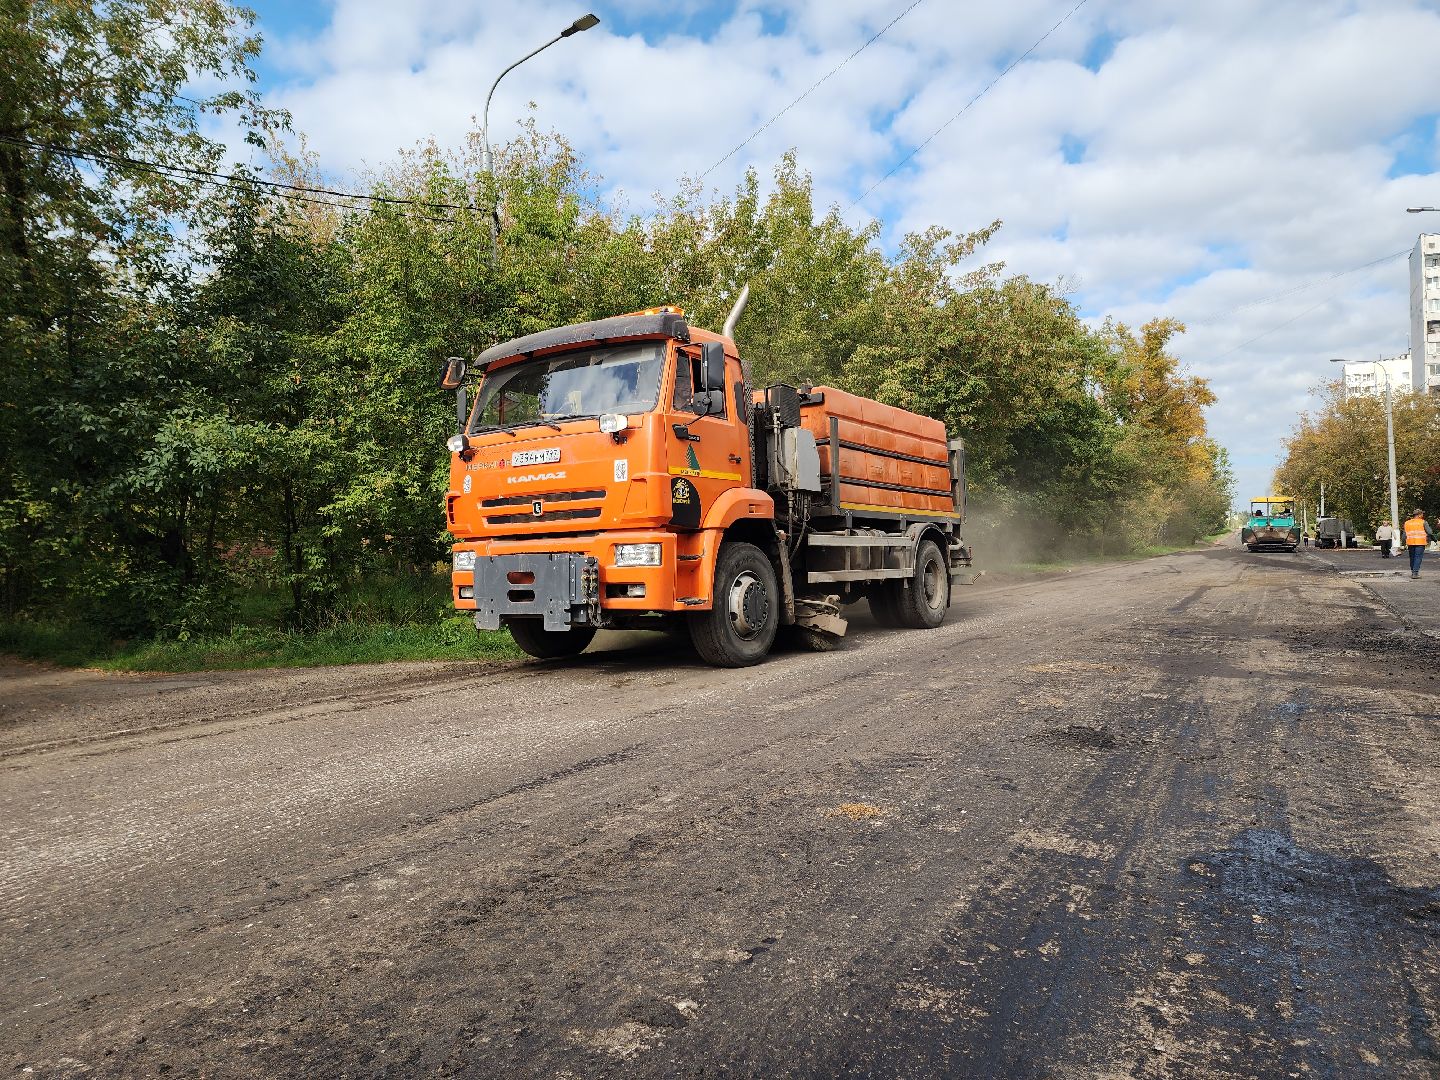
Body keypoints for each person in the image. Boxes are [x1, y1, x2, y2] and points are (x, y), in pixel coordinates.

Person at [1403, 508, 1434, 578]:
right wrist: (1430, 538)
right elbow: (1430, 532)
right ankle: (1415, 573)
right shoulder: (1423, 522)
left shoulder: (1407, 523)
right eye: (1422, 514)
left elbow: (1404, 534)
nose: (1423, 515)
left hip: (1410, 542)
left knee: (1412, 557)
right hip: (1420, 542)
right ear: (1419, 515)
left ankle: (1413, 572)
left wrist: (1403, 543)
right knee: (1418, 557)